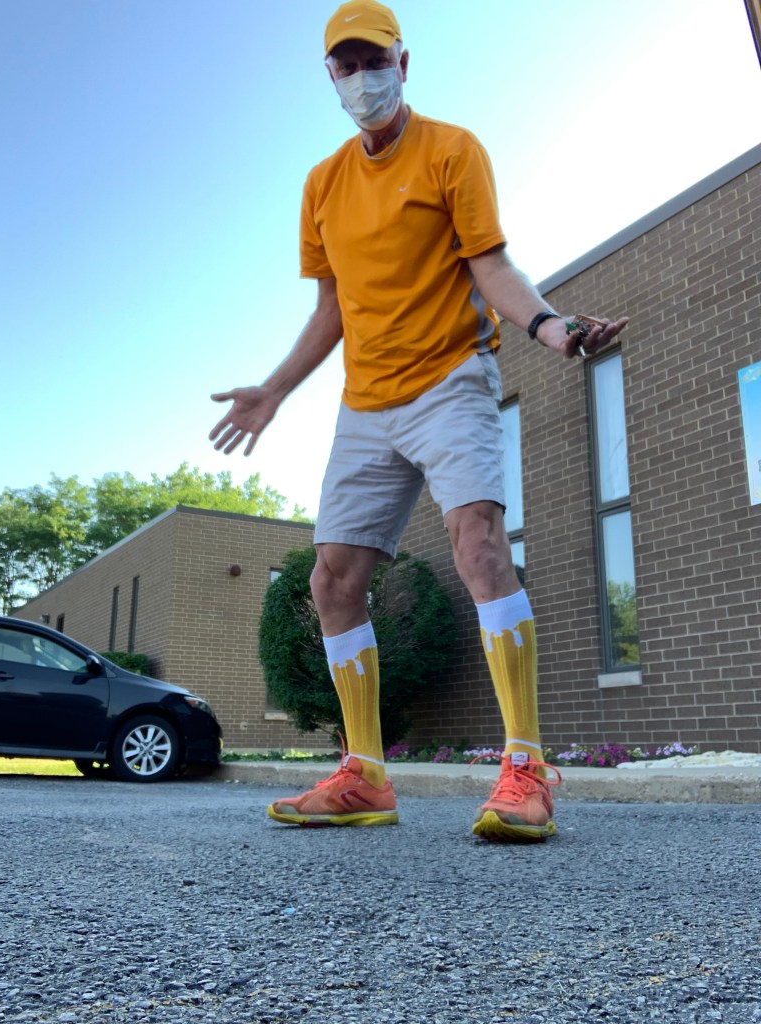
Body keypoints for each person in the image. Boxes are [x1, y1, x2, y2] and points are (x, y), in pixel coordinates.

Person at [209, 0, 628, 842]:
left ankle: (526, 769)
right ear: (330, 75)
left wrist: (550, 327)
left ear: (403, 64)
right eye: (347, 64)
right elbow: (332, 309)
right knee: (332, 580)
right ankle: (365, 776)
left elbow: (491, 265)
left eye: (376, 60)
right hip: (366, 402)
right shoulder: (322, 184)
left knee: (478, 542)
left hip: (449, 377)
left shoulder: (451, 150)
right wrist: (276, 388)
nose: (362, 77)